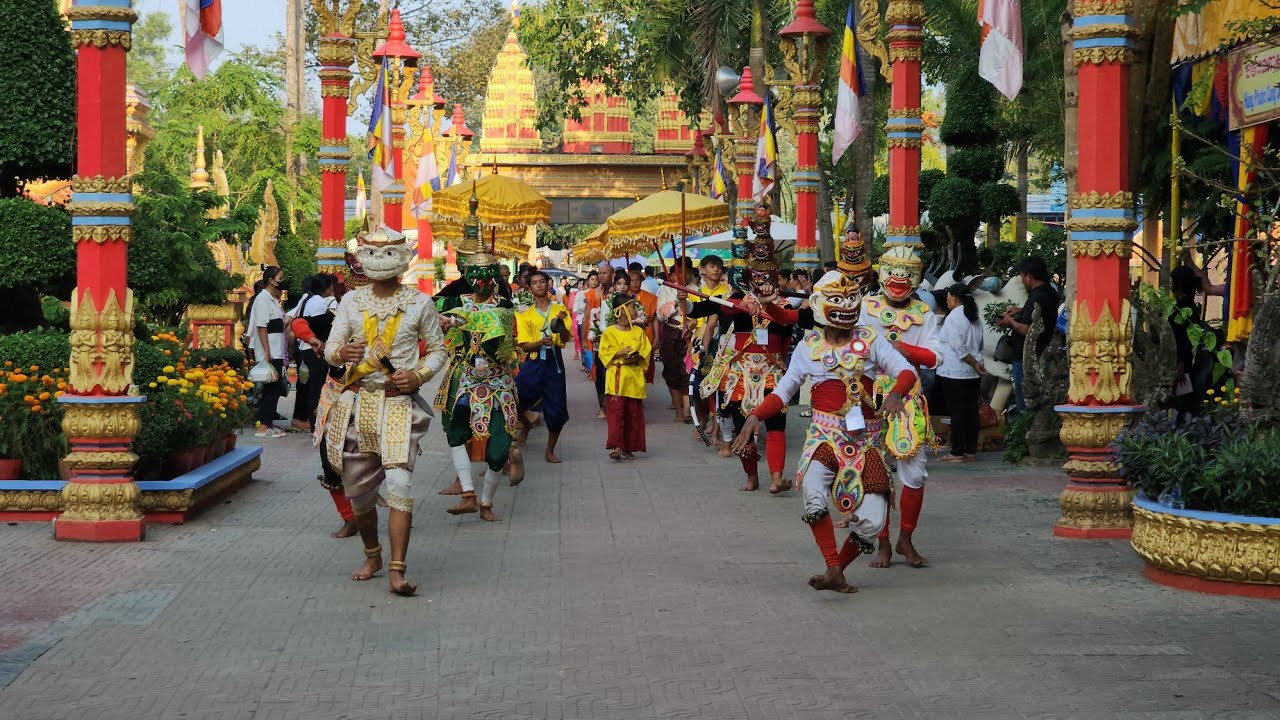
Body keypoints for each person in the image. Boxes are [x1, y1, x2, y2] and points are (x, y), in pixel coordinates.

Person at [733, 270, 915, 593]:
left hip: (867, 442)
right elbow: (784, 391)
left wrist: (897, 393)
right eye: (836, 300)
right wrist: (755, 416)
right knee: (813, 493)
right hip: (825, 438)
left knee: (873, 521)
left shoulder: (870, 339)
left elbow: (906, 370)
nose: (845, 306)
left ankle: (836, 571)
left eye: (850, 298)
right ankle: (833, 565)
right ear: (819, 305)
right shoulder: (808, 348)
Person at [320, 228, 448, 596]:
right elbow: (331, 348)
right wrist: (340, 354)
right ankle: (372, 555)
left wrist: (418, 375)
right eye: (374, 253)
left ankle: (397, 570)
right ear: (363, 259)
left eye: (389, 253)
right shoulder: (350, 302)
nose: (381, 261)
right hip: (356, 404)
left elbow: (438, 350)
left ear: (403, 260)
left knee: (399, 484)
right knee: (359, 494)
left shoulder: (420, 303)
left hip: (397, 404)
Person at [693, 209, 797, 493]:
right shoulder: (734, 301)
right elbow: (703, 308)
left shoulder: (785, 305)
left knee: (776, 425)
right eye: (758, 277)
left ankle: (776, 477)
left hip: (773, 373)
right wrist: (684, 303)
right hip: (741, 374)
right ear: (750, 278)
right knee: (743, 429)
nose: (763, 282)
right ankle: (752, 477)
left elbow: (790, 325)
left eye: (768, 277)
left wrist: (771, 307)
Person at [859, 245, 941, 569]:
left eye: (907, 273)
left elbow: (935, 357)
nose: (899, 279)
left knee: (915, 474)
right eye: (894, 271)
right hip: (869, 397)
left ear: (917, 278)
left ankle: (905, 538)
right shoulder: (865, 308)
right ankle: (882, 542)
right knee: (875, 473)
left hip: (909, 402)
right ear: (882, 273)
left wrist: (902, 348)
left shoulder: (925, 314)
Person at [437, 250, 522, 522]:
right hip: (469, 381)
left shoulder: (504, 306)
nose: (482, 281)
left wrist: (453, 319)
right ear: (467, 276)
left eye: (487, 275)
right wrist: (435, 316)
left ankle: (486, 503)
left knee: (496, 453)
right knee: (455, 433)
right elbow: (430, 306)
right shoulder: (458, 301)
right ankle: (469, 495)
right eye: (476, 275)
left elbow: (490, 324)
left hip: (499, 385)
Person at [292, 271, 357, 539]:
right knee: (329, 460)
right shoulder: (334, 319)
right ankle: (349, 517)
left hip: (375, 397)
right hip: (333, 399)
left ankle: (389, 512)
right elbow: (298, 323)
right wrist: (313, 339)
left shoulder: (388, 324)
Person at [515, 270, 573, 463]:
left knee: (556, 408)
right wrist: (540, 342)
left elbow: (565, 338)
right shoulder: (525, 314)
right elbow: (524, 345)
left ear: (548, 284)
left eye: (542, 281)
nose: (539, 285)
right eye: (534, 283)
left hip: (554, 362)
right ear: (529, 288)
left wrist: (561, 325)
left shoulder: (559, 309)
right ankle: (526, 424)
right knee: (515, 399)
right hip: (533, 362)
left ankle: (549, 450)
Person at [998, 256, 1060, 414]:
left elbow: (1029, 330)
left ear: (1029, 276)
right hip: (1039, 354)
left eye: (1022, 276)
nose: (1022, 280)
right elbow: (1041, 315)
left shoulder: (1038, 296)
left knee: (1025, 403)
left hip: (1027, 358)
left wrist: (1010, 322)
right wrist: (1020, 310)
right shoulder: (1049, 292)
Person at [936, 283, 986, 462]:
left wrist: (973, 363)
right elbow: (979, 344)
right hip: (972, 373)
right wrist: (977, 364)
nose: (947, 300)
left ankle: (957, 451)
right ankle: (970, 450)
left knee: (957, 412)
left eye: (948, 296)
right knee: (971, 411)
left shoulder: (954, 317)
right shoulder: (974, 317)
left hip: (955, 372)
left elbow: (959, 348)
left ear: (954, 297)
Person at [599, 293, 652, 460]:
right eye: (632, 307)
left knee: (633, 414)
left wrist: (636, 356)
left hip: (634, 376)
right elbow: (604, 353)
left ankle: (628, 447)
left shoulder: (638, 331)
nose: (636, 310)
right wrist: (618, 353)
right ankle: (616, 446)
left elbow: (646, 351)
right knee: (616, 413)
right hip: (617, 377)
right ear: (622, 310)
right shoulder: (609, 332)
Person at [290, 274, 338, 432]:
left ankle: (308, 420)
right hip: (313, 347)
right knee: (316, 388)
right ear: (328, 287)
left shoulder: (307, 298)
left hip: (305, 347)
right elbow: (318, 326)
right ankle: (314, 423)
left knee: (308, 386)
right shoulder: (319, 302)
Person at [250, 266, 289, 438]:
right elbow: (261, 326)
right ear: (271, 280)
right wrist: (266, 351)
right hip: (270, 351)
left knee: (274, 387)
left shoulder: (272, 299)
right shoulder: (262, 299)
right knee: (271, 388)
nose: (282, 281)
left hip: (277, 349)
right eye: (280, 277)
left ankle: (268, 422)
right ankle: (263, 426)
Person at [656, 257, 696, 423]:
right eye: (679, 272)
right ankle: (679, 411)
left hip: (691, 334)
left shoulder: (696, 288)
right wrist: (676, 303)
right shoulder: (666, 289)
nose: (682, 275)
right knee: (672, 371)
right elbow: (660, 314)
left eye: (686, 272)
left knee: (687, 371)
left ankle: (687, 411)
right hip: (671, 333)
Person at [584, 261, 616, 417]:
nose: (601, 276)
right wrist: (584, 339)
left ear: (612, 275)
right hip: (598, 340)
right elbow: (587, 316)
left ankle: (614, 406)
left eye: (605, 273)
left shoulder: (618, 292)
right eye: (600, 273)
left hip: (615, 340)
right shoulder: (593, 294)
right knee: (600, 374)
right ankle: (603, 406)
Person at [628, 270, 659, 384]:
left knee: (645, 363)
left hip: (646, 333)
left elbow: (654, 318)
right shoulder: (623, 297)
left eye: (637, 280)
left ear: (642, 281)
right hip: (628, 334)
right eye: (632, 280)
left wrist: (657, 337)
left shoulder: (650, 297)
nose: (635, 283)